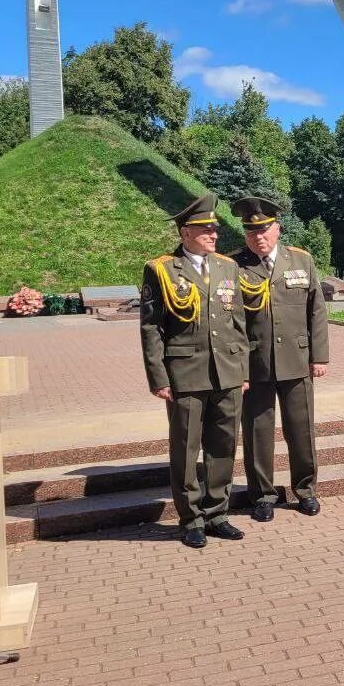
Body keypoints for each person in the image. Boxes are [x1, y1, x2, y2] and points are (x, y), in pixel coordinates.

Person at [139, 193, 249, 549]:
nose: (213, 235)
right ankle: (191, 519)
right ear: (186, 232)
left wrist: (243, 370)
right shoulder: (162, 269)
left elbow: (237, 322)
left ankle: (217, 514)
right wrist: (158, 377)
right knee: (186, 448)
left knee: (223, 446)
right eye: (205, 229)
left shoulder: (227, 267)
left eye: (214, 229)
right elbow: (151, 327)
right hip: (185, 372)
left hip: (227, 371)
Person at [229, 196, 331, 522]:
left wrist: (320, 356)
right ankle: (262, 495)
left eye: (263, 230)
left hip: (297, 360)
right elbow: (228, 319)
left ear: (277, 229)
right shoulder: (233, 266)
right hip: (254, 363)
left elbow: (316, 310)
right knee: (258, 432)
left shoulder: (301, 261)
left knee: (301, 429)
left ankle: (306, 490)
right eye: (250, 232)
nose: (258, 237)